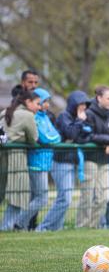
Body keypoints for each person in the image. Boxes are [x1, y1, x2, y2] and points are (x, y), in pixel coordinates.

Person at [36, 90, 92, 231]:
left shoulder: (80, 118)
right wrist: (79, 121)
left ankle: (57, 228)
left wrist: (79, 125)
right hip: (60, 161)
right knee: (65, 198)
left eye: (85, 104)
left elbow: (83, 138)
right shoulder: (64, 116)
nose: (83, 107)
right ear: (74, 104)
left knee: (64, 198)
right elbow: (71, 133)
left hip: (71, 162)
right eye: (81, 104)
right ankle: (43, 227)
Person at [15, 88, 61, 230]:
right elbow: (44, 137)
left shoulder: (45, 117)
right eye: (44, 101)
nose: (47, 104)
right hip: (36, 162)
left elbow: (57, 136)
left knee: (36, 197)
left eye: (47, 101)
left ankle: (23, 225)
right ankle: (18, 223)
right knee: (42, 198)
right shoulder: (34, 117)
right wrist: (51, 139)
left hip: (45, 161)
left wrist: (52, 139)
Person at [0, 89, 41, 230]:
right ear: (28, 102)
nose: (39, 107)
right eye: (37, 103)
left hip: (2, 157)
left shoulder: (5, 112)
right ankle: (6, 227)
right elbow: (34, 139)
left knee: (5, 193)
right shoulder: (27, 115)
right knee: (18, 194)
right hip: (16, 157)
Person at [76, 85, 109, 228]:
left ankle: (92, 226)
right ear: (99, 98)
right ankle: (82, 226)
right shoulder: (89, 113)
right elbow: (89, 135)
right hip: (90, 160)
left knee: (103, 197)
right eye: (108, 98)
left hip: (105, 160)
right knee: (87, 195)